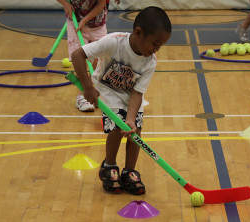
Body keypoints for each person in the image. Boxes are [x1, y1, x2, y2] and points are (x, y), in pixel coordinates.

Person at [71, 6, 172, 195]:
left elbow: (136, 93)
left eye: (160, 46)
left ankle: (129, 171)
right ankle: (109, 167)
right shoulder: (113, 42)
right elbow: (77, 55)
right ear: (138, 33)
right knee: (118, 127)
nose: (156, 49)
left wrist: (131, 120)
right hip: (106, 91)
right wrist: (87, 87)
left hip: (130, 95)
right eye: (155, 44)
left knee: (135, 131)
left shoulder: (150, 61)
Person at [57, 0, 119, 112]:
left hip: (97, 25)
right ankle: (82, 96)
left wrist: (85, 20)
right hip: (75, 24)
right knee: (79, 60)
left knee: (99, 63)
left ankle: (97, 93)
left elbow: (101, 4)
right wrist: (65, 4)